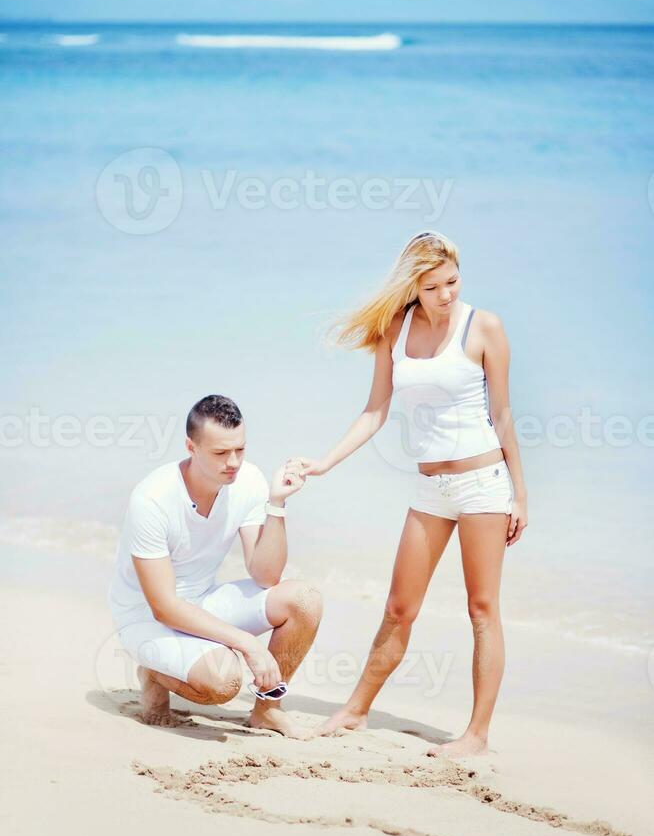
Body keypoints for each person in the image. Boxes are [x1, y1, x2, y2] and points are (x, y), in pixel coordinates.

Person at [296, 232, 528, 756]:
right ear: (414, 287)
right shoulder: (394, 332)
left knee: (482, 608)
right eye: (434, 286)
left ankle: (476, 735)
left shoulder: (483, 326)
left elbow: (503, 414)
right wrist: (325, 463)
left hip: (483, 484)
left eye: (452, 281)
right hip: (430, 486)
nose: (447, 293)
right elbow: (375, 411)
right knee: (399, 608)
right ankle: (355, 711)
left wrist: (520, 495)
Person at [108, 394, 322, 739]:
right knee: (224, 682)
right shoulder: (152, 499)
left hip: (203, 601)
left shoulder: (246, 480)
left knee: (304, 599)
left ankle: (267, 711)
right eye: (221, 453)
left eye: (240, 449)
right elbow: (163, 607)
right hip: (146, 619)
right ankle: (153, 673)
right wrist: (248, 644)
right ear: (191, 447)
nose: (233, 462)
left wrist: (277, 504)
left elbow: (266, 576)